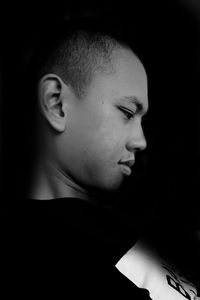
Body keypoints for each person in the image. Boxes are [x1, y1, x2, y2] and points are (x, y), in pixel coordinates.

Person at [13, 18, 197, 299]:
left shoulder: (125, 226)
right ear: (56, 103)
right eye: (126, 112)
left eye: (142, 119)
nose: (141, 141)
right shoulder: (46, 253)